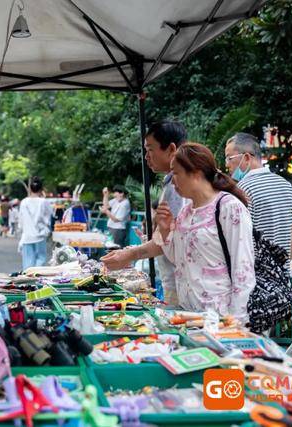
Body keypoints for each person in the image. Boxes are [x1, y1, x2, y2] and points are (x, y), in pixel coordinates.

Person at [118, 143, 256, 321]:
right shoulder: (186, 212)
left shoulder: (229, 207)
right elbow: (180, 259)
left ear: (196, 173)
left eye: (175, 173)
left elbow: (243, 269)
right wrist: (166, 230)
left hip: (221, 316)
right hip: (189, 313)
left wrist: (236, 321)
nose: (172, 180)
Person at [101, 121, 187, 304]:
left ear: (171, 149)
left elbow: (166, 239)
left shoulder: (177, 186)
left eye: (150, 149)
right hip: (181, 283)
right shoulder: (171, 183)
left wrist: (131, 254)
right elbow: (165, 237)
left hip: (186, 287)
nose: (146, 157)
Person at [225, 133, 292, 258]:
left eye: (229, 158)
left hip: (253, 275)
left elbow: (238, 238)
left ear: (246, 157)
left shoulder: (243, 189)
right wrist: (282, 264)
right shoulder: (286, 185)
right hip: (281, 275)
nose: (226, 164)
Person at [19, 177, 53, 270]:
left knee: (27, 264)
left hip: (27, 236)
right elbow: (50, 215)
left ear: (30, 188)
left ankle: (28, 282)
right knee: (40, 261)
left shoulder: (24, 202)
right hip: (40, 236)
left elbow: (21, 221)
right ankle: (37, 281)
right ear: (41, 189)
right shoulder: (44, 202)